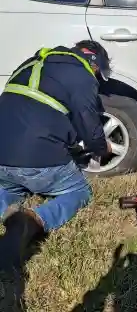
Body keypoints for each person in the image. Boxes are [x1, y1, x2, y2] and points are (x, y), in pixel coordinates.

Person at [0, 40, 112, 271]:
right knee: (78, 191)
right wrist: (103, 148)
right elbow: (90, 128)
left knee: (11, 187)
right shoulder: (82, 76)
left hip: (2, 158)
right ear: (95, 64)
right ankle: (33, 221)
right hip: (40, 160)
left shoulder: (31, 64)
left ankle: (6, 208)